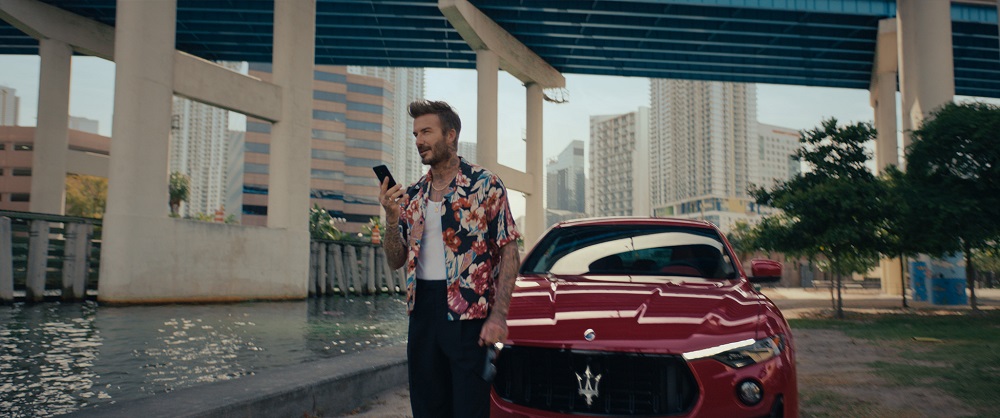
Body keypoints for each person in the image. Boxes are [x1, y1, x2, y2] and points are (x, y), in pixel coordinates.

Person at [378, 100, 521, 418]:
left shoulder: (485, 185)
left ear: (451, 135)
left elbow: (510, 250)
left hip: (470, 317)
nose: (419, 141)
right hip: (422, 316)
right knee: (427, 409)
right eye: (415, 134)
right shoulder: (413, 195)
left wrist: (499, 317)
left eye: (426, 132)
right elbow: (395, 259)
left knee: (469, 410)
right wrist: (390, 219)